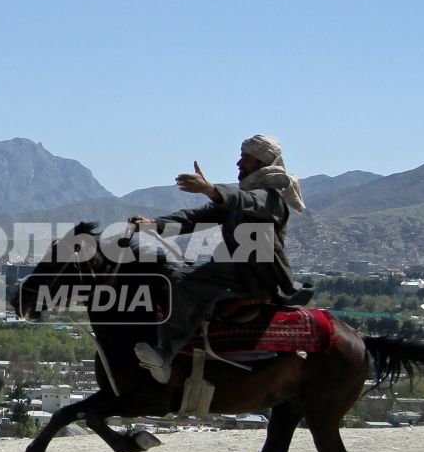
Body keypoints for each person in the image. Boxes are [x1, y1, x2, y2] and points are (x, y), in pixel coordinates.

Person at [127, 133, 307, 383]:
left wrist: (210, 189)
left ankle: (167, 353)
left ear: (263, 162)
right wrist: (153, 224)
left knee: (179, 283)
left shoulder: (269, 196)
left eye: (246, 157)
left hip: (256, 276)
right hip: (231, 270)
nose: (239, 163)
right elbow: (194, 218)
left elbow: (244, 200)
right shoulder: (241, 198)